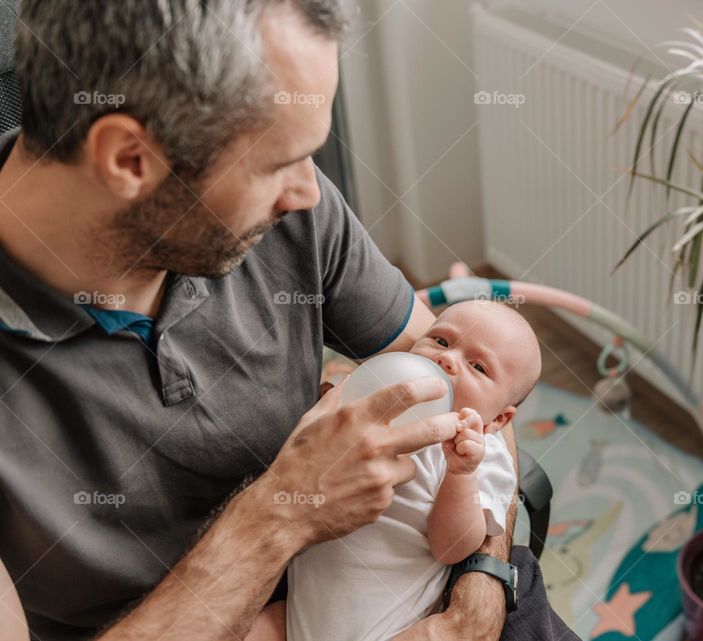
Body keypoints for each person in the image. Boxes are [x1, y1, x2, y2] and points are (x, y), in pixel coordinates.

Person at [0, 1, 578, 640]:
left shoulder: (293, 215)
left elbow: (470, 382)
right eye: (279, 164)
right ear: (130, 159)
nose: (309, 192)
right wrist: (282, 512)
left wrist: (477, 596)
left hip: (425, 588)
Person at [279, 301, 542, 641]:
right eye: (441, 341)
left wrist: (460, 475)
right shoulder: (373, 402)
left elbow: (451, 549)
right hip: (295, 613)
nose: (447, 359)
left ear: (499, 419)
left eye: (477, 366)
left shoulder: (482, 457)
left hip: (387, 630)